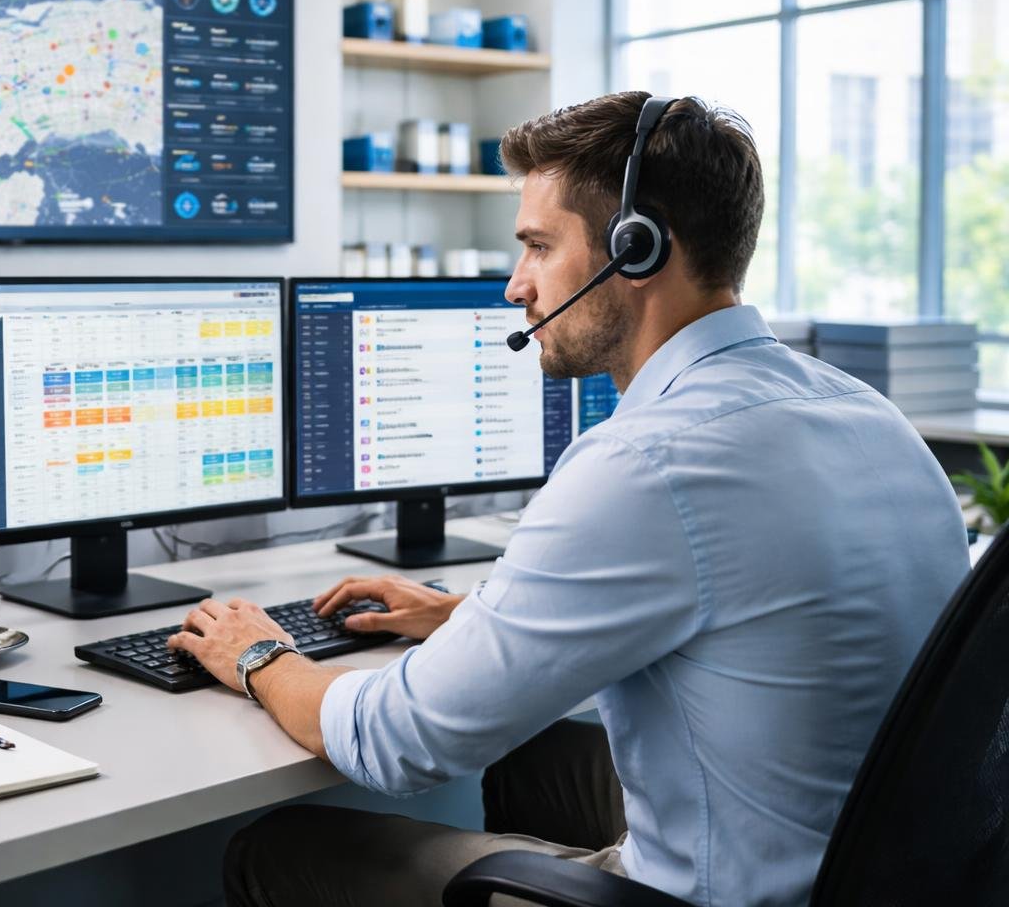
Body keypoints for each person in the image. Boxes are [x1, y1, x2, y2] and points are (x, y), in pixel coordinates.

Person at [167, 92, 969, 907]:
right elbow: (746, 618)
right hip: (873, 863)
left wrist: (261, 656)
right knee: (532, 760)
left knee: (281, 847)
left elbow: (397, 743)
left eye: (538, 247)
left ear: (637, 249)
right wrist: (470, 621)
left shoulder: (646, 461)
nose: (516, 286)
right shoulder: (862, 411)